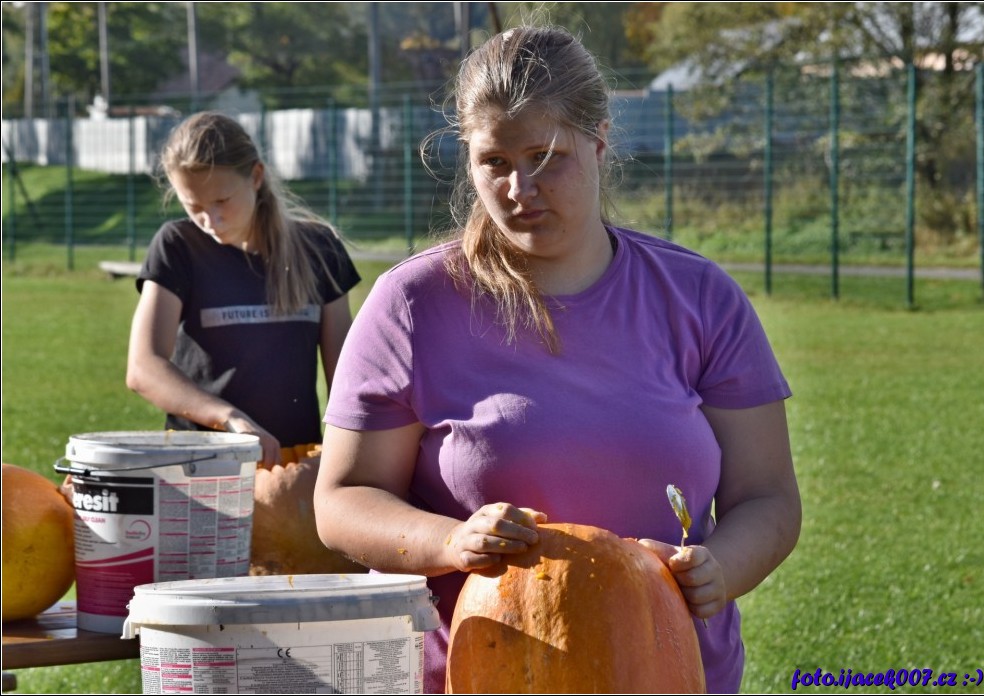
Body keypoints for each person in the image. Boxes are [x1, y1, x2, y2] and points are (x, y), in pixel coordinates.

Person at [315, 25, 800, 694]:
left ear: (599, 142)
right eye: (494, 161)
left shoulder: (700, 296)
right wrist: (449, 542)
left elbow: (767, 496)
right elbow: (343, 499)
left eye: (546, 156)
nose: (520, 187)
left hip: (673, 677)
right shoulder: (413, 303)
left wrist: (720, 568)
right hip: (467, 677)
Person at [127, 111, 361, 467]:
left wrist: (344, 465)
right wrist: (229, 418)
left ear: (255, 176)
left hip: (293, 467)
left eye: (221, 201)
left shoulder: (319, 248)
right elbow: (143, 368)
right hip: (200, 463)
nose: (210, 221)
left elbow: (348, 380)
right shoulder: (177, 247)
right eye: (194, 206)